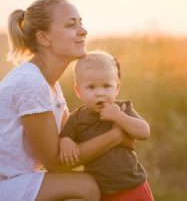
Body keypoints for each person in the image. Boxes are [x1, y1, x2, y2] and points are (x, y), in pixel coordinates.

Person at [0, 0, 134, 201]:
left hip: (17, 178)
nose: (83, 30)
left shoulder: (49, 84)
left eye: (81, 23)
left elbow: (76, 136)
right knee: (86, 186)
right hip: (6, 183)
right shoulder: (30, 83)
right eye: (71, 25)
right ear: (44, 38)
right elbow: (54, 162)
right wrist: (116, 136)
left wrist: (125, 122)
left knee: (96, 181)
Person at [59, 51, 154, 201]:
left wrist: (119, 117)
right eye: (91, 87)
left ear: (117, 89)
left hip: (132, 187)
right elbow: (64, 136)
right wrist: (66, 142)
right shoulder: (76, 119)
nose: (100, 93)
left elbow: (144, 131)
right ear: (78, 91)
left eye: (106, 86)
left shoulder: (122, 109)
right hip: (101, 192)